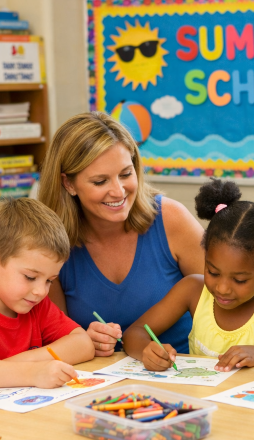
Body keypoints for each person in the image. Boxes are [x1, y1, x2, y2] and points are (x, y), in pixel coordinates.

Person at [38, 112, 204, 356]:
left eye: (126, 174)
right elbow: (50, 335)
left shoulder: (171, 219)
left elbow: (227, 303)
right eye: (100, 181)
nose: (118, 191)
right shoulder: (50, 242)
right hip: (98, 381)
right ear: (69, 184)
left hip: (183, 371)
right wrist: (82, 340)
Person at [124, 178, 254, 373]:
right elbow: (134, 333)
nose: (222, 288)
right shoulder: (191, 290)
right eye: (213, 272)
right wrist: (147, 350)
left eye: (239, 280)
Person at [0, 198, 97, 389]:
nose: (41, 291)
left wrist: (23, 361)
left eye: (49, 280)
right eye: (30, 277)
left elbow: (83, 343)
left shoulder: (36, 306)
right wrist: (32, 373)